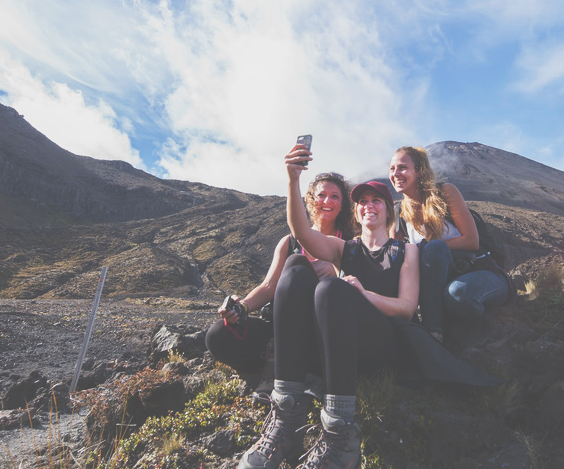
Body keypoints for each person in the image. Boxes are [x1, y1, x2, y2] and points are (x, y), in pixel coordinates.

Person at [237, 142, 419, 469]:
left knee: (333, 289)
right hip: (342, 349)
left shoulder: (405, 251)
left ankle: (340, 437)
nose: (368, 206)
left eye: (376, 199)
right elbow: (303, 234)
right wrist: (293, 180)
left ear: (388, 209)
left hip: (385, 345)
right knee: (297, 267)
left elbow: (406, 309)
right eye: (362, 201)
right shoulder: (344, 248)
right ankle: (286, 419)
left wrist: (362, 293)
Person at [205, 171, 354, 384]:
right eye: (321, 195)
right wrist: (241, 308)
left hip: (322, 332)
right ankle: (270, 368)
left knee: (297, 266)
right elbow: (268, 287)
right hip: (281, 332)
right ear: (311, 200)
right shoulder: (289, 243)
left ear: (343, 204)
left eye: (335, 196)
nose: (327, 201)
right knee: (218, 335)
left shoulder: (350, 244)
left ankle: (287, 371)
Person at [389, 146, 510, 342]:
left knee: (457, 295)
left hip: (478, 273)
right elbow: (395, 257)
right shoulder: (398, 212)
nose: (395, 174)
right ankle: (432, 333)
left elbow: (472, 240)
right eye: (392, 168)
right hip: (435, 287)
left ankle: (436, 330)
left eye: (402, 167)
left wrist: (427, 248)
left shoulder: (445, 193)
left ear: (419, 170)